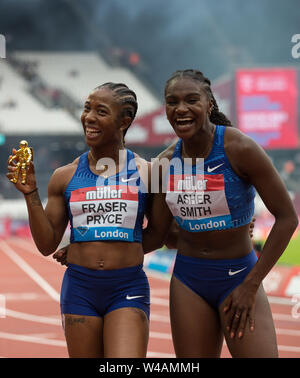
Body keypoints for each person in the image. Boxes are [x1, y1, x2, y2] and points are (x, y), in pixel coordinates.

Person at [141, 69, 298, 358]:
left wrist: (251, 285)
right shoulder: (163, 164)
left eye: (191, 100)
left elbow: (288, 218)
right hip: (189, 281)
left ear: (209, 104)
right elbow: (157, 236)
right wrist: (90, 249)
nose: (181, 109)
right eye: (172, 102)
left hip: (240, 275)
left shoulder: (240, 148)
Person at [6, 82, 151, 358]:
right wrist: (31, 193)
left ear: (125, 121)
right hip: (80, 290)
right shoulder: (66, 175)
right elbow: (47, 244)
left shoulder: (147, 173)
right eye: (87, 109)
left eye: (101, 111)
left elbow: (161, 233)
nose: (89, 118)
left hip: (127, 286)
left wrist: (111, 247)